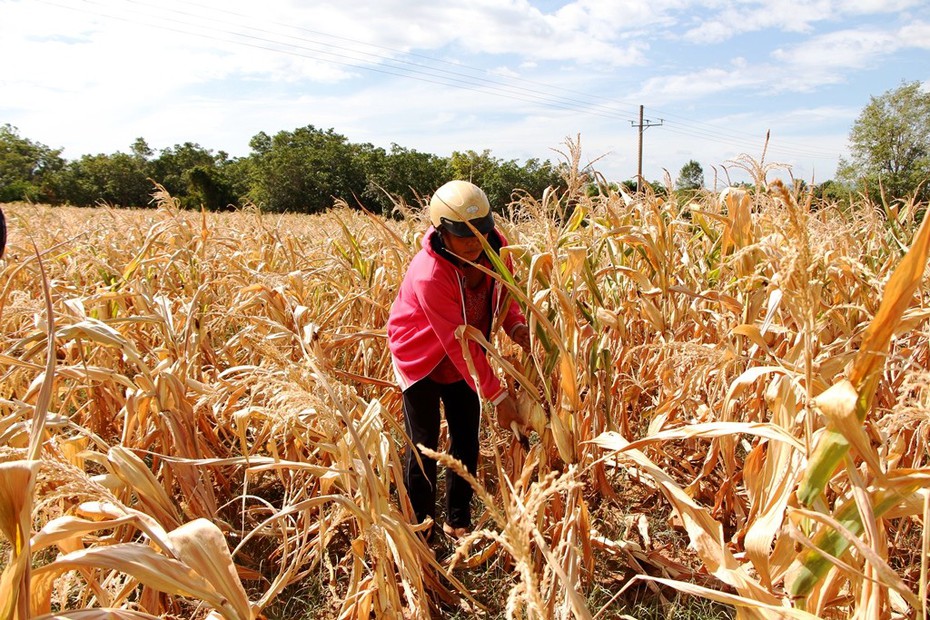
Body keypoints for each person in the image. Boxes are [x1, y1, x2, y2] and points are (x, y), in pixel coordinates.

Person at [387, 180, 531, 539]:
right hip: (420, 354)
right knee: (425, 442)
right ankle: (421, 523)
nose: (473, 243)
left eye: (479, 232)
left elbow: (505, 294)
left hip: (464, 355)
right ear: (440, 231)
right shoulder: (430, 273)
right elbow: (458, 344)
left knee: (466, 436)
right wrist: (499, 397)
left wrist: (516, 325)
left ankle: (457, 518)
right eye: (462, 236)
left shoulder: (495, 248)